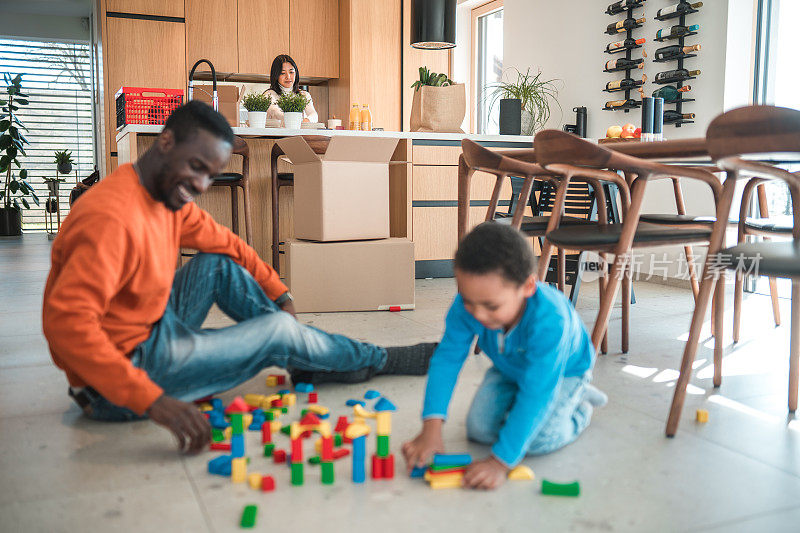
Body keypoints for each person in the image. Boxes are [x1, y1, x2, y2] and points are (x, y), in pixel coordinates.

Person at [42, 101, 433, 453]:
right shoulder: (110, 219)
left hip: (150, 329)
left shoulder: (161, 194)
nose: (199, 185)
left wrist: (279, 293)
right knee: (278, 333)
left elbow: (228, 244)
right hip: (118, 382)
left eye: (210, 175)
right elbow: (66, 326)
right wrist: (150, 399)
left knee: (218, 265)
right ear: (165, 143)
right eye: (195, 167)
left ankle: (299, 353)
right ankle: (373, 358)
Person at [401, 223, 607, 490]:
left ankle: (580, 405)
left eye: (491, 306)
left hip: (562, 373)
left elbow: (537, 391)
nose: (477, 314)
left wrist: (500, 462)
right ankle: (534, 408)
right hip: (510, 368)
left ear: (528, 286)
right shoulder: (470, 304)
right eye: (467, 300)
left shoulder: (551, 320)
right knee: (479, 431)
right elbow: (447, 360)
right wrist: (431, 426)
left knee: (538, 441)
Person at [264, 54, 318, 124]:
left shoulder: (304, 95)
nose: (288, 77)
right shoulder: (269, 95)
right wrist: (295, 121)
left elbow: (313, 115)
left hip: (299, 133)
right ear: (276, 75)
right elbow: (276, 113)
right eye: (283, 73)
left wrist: (306, 121)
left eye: (291, 72)